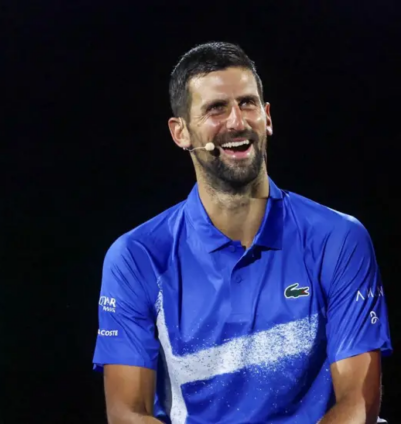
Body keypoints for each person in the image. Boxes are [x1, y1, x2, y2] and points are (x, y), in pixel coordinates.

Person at [92, 41, 392, 423]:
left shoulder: (339, 239)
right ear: (180, 132)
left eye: (247, 103)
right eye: (216, 108)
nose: (236, 122)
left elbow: (359, 404)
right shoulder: (136, 257)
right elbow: (126, 413)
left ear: (267, 117)